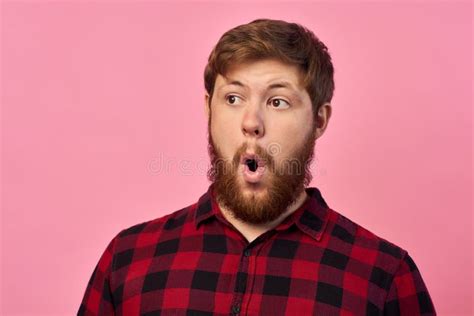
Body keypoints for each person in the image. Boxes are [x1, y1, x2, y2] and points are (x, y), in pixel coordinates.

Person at [78, 19, 436, 315]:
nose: (252, 122)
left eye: (278, 101)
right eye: (233, 98)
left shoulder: (385, 276)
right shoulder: (128, 259)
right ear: (209, 109)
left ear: (319, 120)